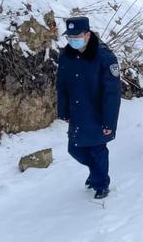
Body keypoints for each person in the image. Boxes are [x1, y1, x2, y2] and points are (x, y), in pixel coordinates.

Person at [56, 16, 121, 199]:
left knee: (97, 149)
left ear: (87, 34)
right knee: (74, 149)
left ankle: (101, 183)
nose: (72, 40)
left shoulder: (104, 57)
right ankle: (95, 173)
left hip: (98, 113)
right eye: (69, 36)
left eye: (76, 36)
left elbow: (112, 94)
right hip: (77, 113)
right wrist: (64, 111)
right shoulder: (66, 56)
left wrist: (109, 122)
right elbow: (61, 86)